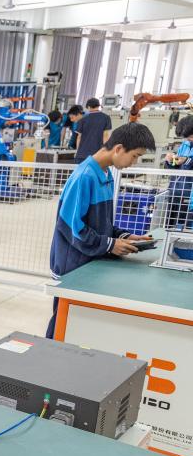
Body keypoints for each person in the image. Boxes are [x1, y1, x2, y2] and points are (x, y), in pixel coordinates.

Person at [46, 123, 156, 338]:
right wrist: (110, 244)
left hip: (90, 262)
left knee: (82, 326)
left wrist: (123, 236)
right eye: (134, 156)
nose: (134, 163)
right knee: (63, 325)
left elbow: (101, 223)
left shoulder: (105, 175)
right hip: (73, 267)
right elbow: (71, 227)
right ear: (118, 148)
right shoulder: (85, 177)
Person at [73, 98, 113, 163]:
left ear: (89, 107)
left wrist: (77, 152)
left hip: (82, 155)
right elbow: (105, 136)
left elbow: (79, 137)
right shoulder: (106, 118)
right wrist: (106, 151)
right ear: (98, 106)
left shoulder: (83, 119)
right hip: (98, 154)